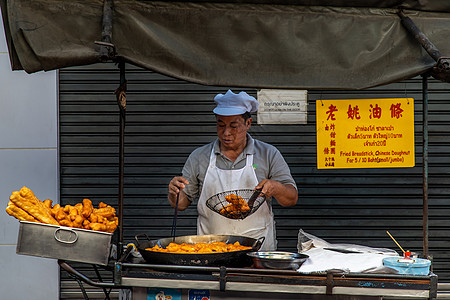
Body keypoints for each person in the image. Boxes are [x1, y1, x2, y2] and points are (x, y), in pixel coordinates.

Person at [168, 90, 298, 250]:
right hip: (211, 250)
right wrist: (175, 193)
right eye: (220, 125)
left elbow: (291, 198)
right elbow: (181, 204)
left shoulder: (268, 154)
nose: (226, 133)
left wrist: (276, 187)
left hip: (258, 251)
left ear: (248, 123)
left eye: (233, 126)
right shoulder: (199, 157)